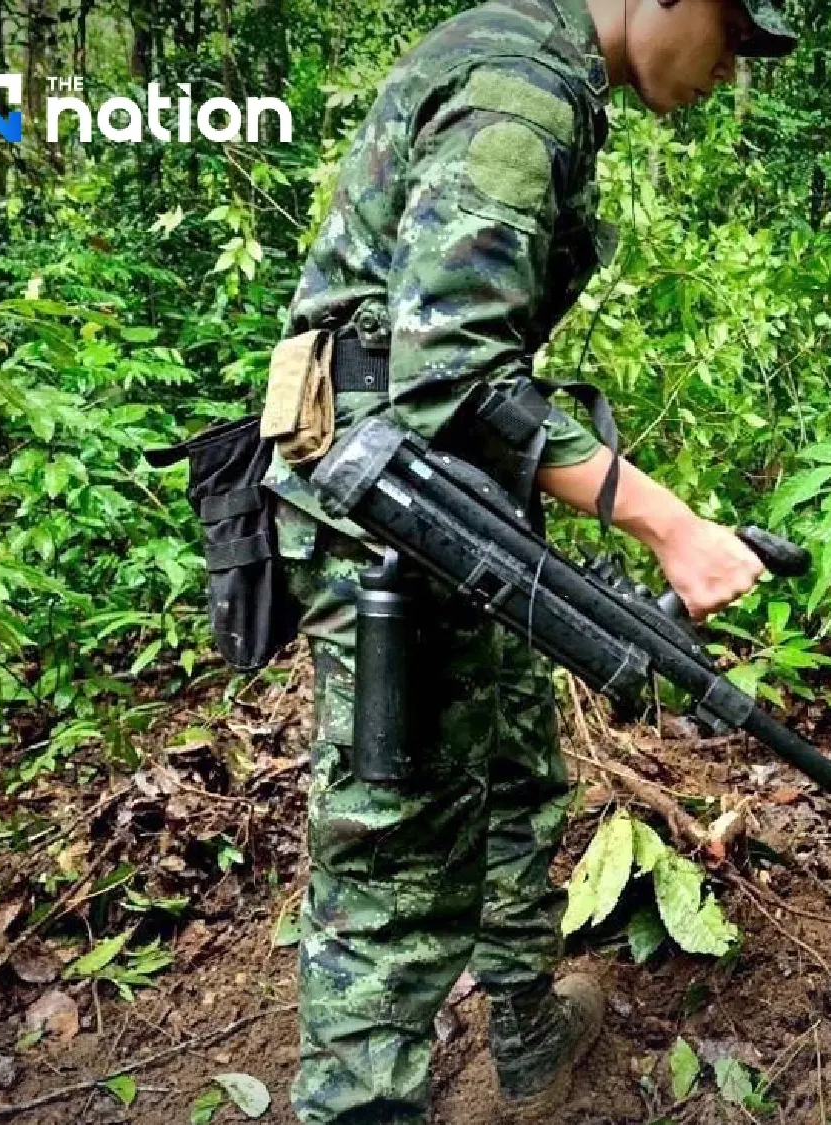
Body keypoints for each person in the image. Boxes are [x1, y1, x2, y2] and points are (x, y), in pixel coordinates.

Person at [262, 1, 797, 1121]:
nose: (728, 68)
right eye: (731, 31)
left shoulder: (545, 68)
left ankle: (524, 1030)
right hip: (388, 526)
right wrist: (673, 527)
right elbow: (447, 371)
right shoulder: (518, 86)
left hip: (453, 503)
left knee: (514, 772)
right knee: (395, 868)